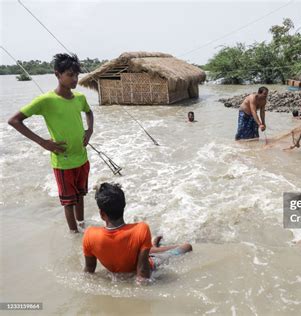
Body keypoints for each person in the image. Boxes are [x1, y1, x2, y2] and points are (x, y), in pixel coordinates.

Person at [8, 53, 94, 233]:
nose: (75, 79)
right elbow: (15, 121)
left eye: (77, 75)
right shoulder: (46, 100)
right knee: (68, 202)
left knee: (80, 196)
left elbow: (89, 112)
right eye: (70, 75)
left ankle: (82, 225)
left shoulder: (79, 98)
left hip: (82, 158)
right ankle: (74, 234)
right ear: (57, 74)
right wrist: (43, 143)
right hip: (63, 162)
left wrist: (89, 130)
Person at [83, 183, 192, 282]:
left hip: (133, 254)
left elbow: (89, 271)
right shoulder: (141, 229)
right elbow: (143, 274)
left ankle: (151, 246)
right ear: (123, 206)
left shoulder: (90, 235)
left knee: (146, 250)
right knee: (187, 247)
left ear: (102, 214)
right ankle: (153, 246)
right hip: (146, 261)